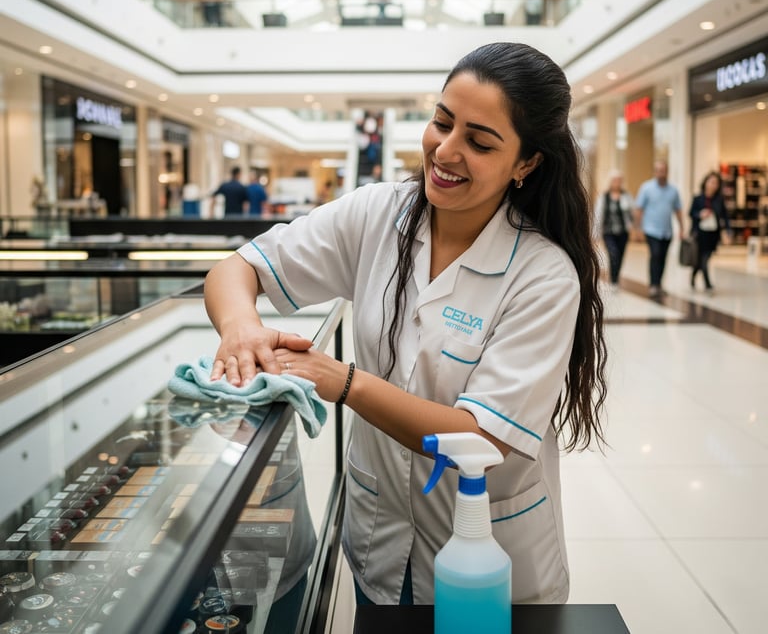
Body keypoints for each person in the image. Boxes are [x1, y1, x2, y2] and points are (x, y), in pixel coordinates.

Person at [203, 42, 608, 606]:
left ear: (526, 163)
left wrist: (345, 382)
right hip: (380, 545)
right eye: (442, 122)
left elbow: (482, 436)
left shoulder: (543, 275)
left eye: (479, 141)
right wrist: (241, 327)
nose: (445, 150)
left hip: (494, 567)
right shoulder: (377, 213)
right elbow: (236, 269)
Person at [634, 160, 684, 298]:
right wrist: (637, 229)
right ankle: (653, 284)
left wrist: (682, 228)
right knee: (655, 255)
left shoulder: (673, 191)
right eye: (658, 170)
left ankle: (659, 284)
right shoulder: (646, 188)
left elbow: (678, 210)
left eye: (663, 170)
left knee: (663, 257)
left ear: (667, 172)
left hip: (667, 231)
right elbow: (639, 209)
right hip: (651, 230)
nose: (661, 173)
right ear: (654, 172)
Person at [689, 170, 731, 292]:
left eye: (716, 183)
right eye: (711, 182)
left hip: (712, 234)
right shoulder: (698, 199)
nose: (713, 185)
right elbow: (691, 213)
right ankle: (707, 284)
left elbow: (725, 216)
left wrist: (728, 232)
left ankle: (695, 275)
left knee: (704, 258)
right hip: (699, 234)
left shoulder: (719, 200)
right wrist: (700, 215)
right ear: (706, 182)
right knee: (701, 259)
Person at [593, 170, 634, 286]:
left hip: (623, 232)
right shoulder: (604, 197)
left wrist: (635, 226)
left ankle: (616, 275)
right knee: (613, 253)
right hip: (608, 231)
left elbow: (633, 213)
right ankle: (614, 279)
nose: (617, 182)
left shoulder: (626, 196)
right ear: (611, 182)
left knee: (620, 255)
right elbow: (598, 215)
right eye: (615, 180)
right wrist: (594, 234)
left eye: (619, 180)